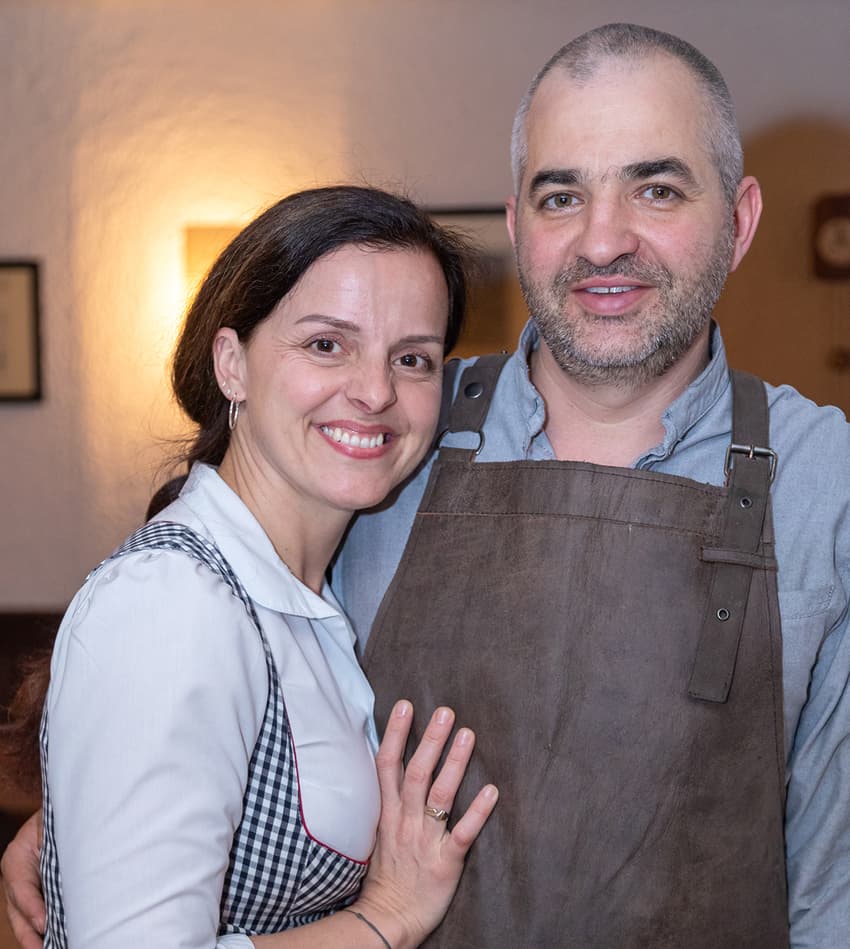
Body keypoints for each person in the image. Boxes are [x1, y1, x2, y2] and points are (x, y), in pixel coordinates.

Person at [4, 20, 850, 949]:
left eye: (655, 188)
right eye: (562, 194)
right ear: (519, 221)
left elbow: (833, 888)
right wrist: (87, 820)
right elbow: (202, 655)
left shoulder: (825, 479)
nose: (604, 240)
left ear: (739, 220)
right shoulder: (393, 434)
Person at [3, 184, 498, 948]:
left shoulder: (314, 588)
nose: (375, 392)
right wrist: (386, 916)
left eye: (413, 358)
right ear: (232, 363)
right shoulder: (171, 601)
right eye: (326, 344)